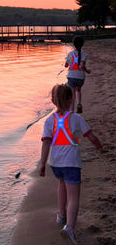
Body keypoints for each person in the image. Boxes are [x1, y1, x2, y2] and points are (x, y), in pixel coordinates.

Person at [38, 84, 102, 245]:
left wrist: (42, 164)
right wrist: (99, 146)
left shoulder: (49, 121)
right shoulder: (76, 118)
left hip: (55, 163)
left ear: (53, 101)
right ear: (71, 100)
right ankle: (70, 228)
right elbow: (91, 136)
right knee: (73, 197)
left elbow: (46, 143)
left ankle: (61, 214)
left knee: (61, 184)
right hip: (71, 163)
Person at [65, 36, 90, 113]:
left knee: (72, 95)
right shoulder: (84, 54)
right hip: (80, 77)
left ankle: (71, 111)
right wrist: (87, 71)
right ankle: (79, 104)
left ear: (73, 44)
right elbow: (82, 66)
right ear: (82, 44)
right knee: (78, 90)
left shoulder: (70, 54)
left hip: (71, 76)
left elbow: (66, 65)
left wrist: (67, 63)